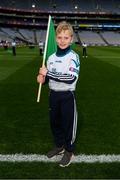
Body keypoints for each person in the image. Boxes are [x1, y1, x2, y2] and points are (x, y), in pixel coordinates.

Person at [37, 21, 80, 167]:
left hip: (67, 96)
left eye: (66, 38)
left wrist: (48, 73)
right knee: (54, 123)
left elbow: (70, 78)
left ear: (71, 39)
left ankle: (69, 150)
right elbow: (47, 78)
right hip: (53, 95)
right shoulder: (50, 58)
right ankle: (59, 145)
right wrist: (42, 79)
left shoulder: (73, 57)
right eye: (60, 37)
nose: (62, 41)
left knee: (68, 124)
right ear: (55, 39)